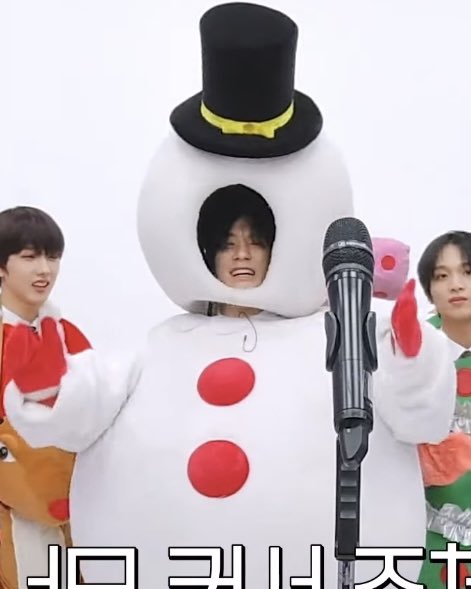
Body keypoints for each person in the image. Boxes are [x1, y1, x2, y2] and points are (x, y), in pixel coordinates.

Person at [2, 4, 456, 587]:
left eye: (256, 240)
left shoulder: (344, 335)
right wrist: (47, 387)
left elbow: (420, 412)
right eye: (227, 242)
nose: (242, 255)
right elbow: (76, 410)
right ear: (204, 247)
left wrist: (412, 358)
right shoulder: (156, 349)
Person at [0, 206, 90, 588]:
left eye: (52, 257)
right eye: (29, 257)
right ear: (2, 267)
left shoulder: (69, 336)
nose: (44, 270)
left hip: (71, 505)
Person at [416, 230, 471, 588]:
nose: (456, 284)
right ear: (429, 290)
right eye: (442, 275)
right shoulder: (410, 356)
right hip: (428, 537)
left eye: (467, 272)